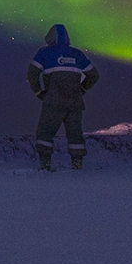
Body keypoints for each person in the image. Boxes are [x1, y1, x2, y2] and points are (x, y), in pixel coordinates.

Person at [27, 24, 99, 170]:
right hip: (75, 103)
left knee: (45, 133)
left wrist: (39, 92)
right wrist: (81, 90)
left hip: (53, 102)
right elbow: (94, 75)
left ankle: (45, 166)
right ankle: (77, 166)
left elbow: (32, 73)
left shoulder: (45, 53)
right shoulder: (77, 54)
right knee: (75, 135)